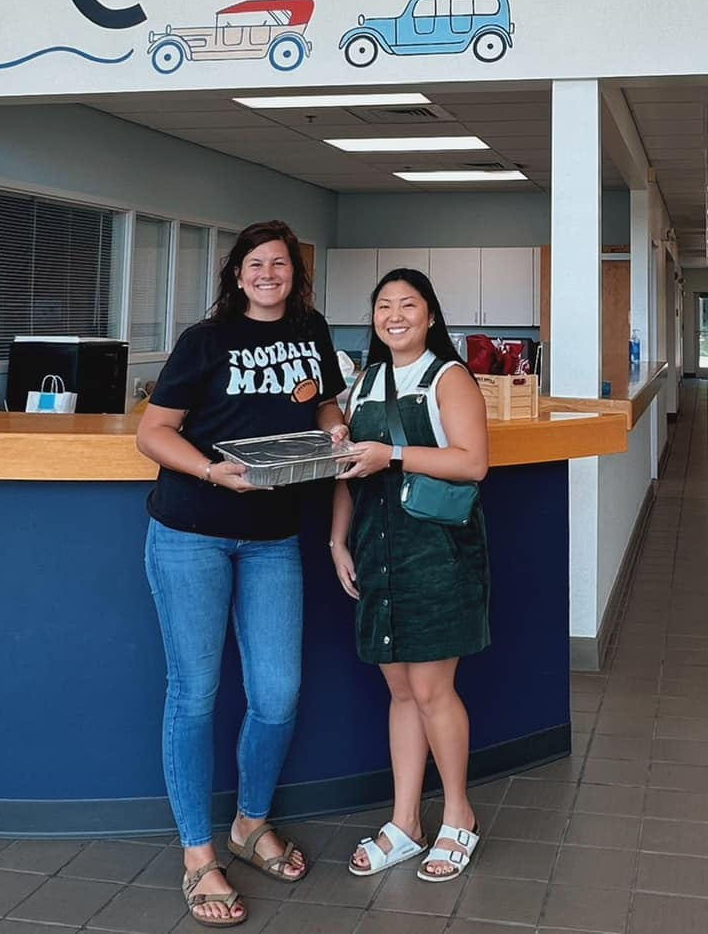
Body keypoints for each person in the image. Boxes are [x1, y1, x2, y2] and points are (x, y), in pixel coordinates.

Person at [136, 221, 346, 928]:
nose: (267, 274)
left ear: (295, 274)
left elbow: (321, 401)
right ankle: (198, 853)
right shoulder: (206, 340)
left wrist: (335, 425)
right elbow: (152, 433)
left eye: (279, 264)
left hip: (272, 538)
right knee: (194, 694)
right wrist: (211, 472)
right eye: (255, 264)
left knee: (278, 694)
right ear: (236, 274)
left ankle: (249, 826)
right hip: (190, 532)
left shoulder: (311, 331)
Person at [330, 268, 492, 883]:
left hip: (436, 552)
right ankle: (405, 823)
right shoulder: (364, 383)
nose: (394, 316)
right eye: (384, 306)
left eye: (408, 305)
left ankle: (457, 815)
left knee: (431, 691)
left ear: (430, 316)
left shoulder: (449, 377)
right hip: (376, 549)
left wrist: (392, 454)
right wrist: (338, 540)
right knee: (400, 692)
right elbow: (349, 472)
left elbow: (473, 463)